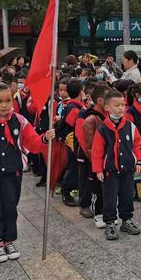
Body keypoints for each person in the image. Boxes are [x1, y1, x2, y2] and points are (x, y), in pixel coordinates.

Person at [0, 83, 55, 262]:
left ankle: (9, 240)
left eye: (8, 100)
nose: (4, 105)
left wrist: (45, 138)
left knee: (10, 207)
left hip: (12, 172)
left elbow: (32, 143)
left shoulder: (20, 120)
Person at [92, 90, 141, 240]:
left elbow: (137, 145)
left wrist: (138, 160)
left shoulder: (130, 126)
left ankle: (126, 220)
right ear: (107, 107)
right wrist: (98, 169)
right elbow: (97, 151)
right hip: (110, 171)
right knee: (110, 198)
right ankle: (110, 222)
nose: (121, 108)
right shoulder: (102, 129)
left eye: (123, 105)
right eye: (117, 105)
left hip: (127, 170)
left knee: (127, 195)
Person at [74, 84, 108, 227]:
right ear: (100, 100)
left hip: (104, 159)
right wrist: (96, 160)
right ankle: (87, 205)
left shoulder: (107, 115)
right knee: (90, 182)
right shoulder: (89, 117)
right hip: (90, 158)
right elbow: (87, 142)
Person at [58, 78, 85, 206]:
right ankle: (66, 192)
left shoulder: (74, 105)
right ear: (81, 92)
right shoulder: (74, 108)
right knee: (72, 167)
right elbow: (68, 124)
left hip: (75, 142)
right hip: (73, 142)